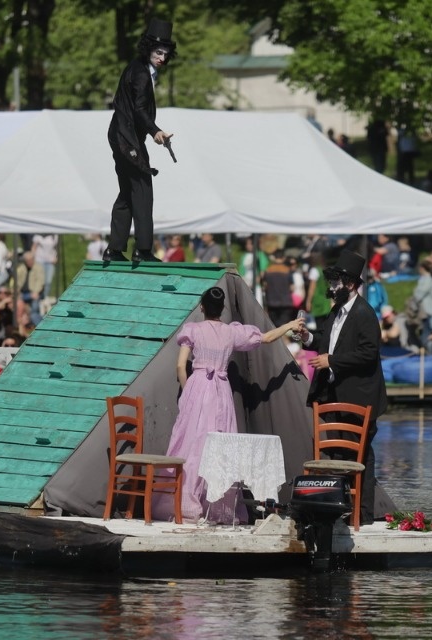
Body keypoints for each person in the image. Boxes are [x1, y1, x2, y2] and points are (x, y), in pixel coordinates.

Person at [156, 286, 304, 524]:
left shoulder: (192, 330)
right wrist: (289, 326)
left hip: (198, 388)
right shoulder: (230, 333)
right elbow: (265, 338)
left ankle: (185, 503)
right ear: (223, 309)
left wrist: (188, 391)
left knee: (192, 443)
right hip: (221, 392)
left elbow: (180, 366)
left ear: (202, 307)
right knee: (220, 443)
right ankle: (216, 506)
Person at [296, 250, 388, 525]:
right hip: (334, 393)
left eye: (337, 281)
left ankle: (364, 515)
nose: (332, 287)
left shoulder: (364, 313)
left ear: (350, 284)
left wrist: (333, 360)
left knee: (360, 455)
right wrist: (308, 336)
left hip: (360, 396)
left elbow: (369, 352)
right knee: (335, 453)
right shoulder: (337, 310)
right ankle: (339, 508)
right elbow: (326, 339)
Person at [103, 18, 176, 263]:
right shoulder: (142, 74)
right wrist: (155, 130)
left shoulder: (138, 67)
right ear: (148, 49)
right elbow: (140, 109)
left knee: (127, 192)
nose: (162, 58)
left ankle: (114, 249)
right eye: (158, 52)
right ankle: (143, 250)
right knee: (143, 190)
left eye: (166, 53)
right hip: (127, 138)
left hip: (121, 135)